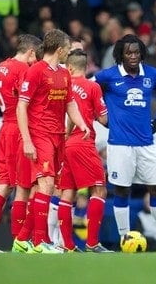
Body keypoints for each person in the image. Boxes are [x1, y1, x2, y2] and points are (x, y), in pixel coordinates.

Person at [93, 34, 156, 253]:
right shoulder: (107, 76)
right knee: (122, 191)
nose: (133, 56)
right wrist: (101, 117)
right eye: (128, 53)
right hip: (119, 144)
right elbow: (86, 94)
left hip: (146, 143)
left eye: (137, 52)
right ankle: (125, 238)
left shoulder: (152, 74)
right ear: (120, 55)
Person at [16, 29, 90, 254]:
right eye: (68, 48)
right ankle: (40, 243)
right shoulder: (36, 71)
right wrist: (27, 140)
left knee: (43, 187)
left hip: (58, 136)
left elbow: (70, 104)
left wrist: (82, 123)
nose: (71, 51)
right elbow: (22, 105)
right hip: (39, 135)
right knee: (47, 185)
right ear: (60, 49)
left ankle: (21, 240)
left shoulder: (64, 74)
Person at [0, 34, 40, 253]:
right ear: (30, 51)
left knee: (4, 184)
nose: (35, 61)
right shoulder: (23, 70)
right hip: (18, 130)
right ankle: (18, 242)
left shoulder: (2, 66)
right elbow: (27, 101)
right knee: (20, 186)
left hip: (5, 127)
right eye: (35, 56)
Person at [57, 48, 111, 252]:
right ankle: (92, 243)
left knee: (67, 193)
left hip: (66, 143)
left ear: (69, 67)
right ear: (87, 67)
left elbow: (69, 115)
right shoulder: (92, 87)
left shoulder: (63, 86)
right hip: (84, 142)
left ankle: (68, 246)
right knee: (99, 189)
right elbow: (104, 118)